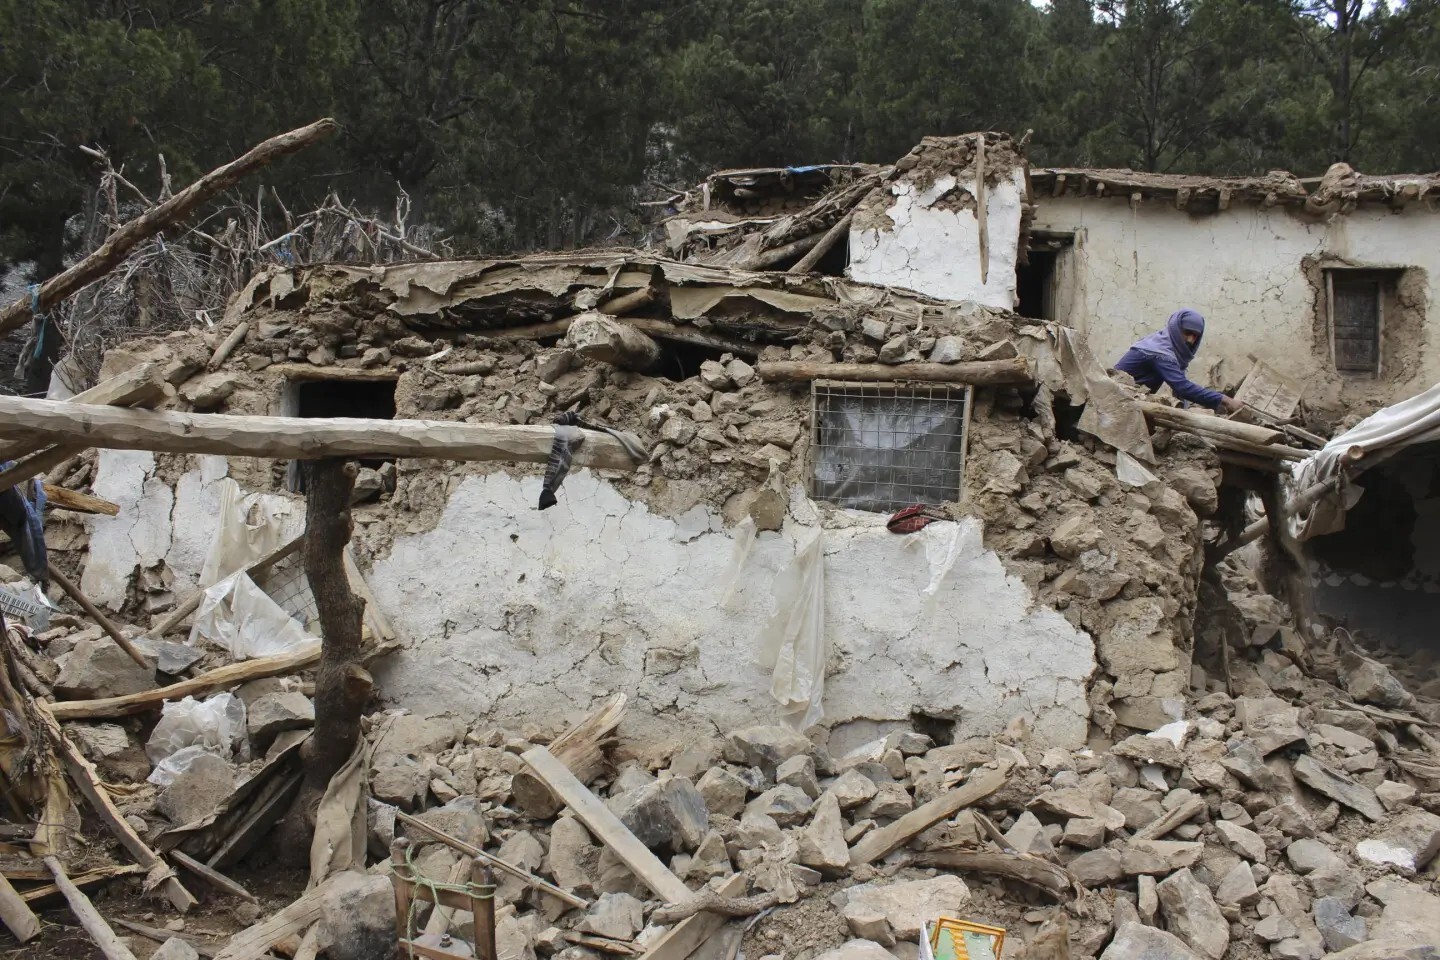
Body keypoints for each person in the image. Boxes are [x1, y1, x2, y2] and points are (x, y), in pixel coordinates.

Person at [1115, 308, 1242, 413]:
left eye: (1195, 336)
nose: (1190, 340)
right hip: (1116, 402)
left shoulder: (1160, 344)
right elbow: (1182, 387)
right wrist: (1225, 400)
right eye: (1187, 333)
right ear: (1176, 328)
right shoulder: (1159, 352)